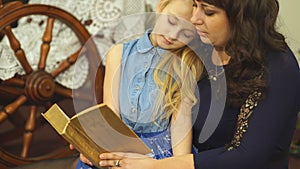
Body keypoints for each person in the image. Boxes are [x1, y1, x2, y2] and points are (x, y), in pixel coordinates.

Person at [98, 0, 300, 169]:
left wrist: (153, 165)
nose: (194, 19)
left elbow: (247, 156)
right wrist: (102, 147)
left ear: (242, 17)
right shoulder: (196, 46)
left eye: (209, 12)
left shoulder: (279, 67)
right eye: (195, 5)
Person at [73, 0, 203, 168]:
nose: (172, 35)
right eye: (171, 21)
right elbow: (111, 112)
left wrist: (178, 163)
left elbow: (181, 125)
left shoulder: (184, 67)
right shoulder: (118, 53)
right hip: (119, 140)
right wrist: (100, 147)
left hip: (159, 152)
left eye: (186, 33)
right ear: (160, 7)